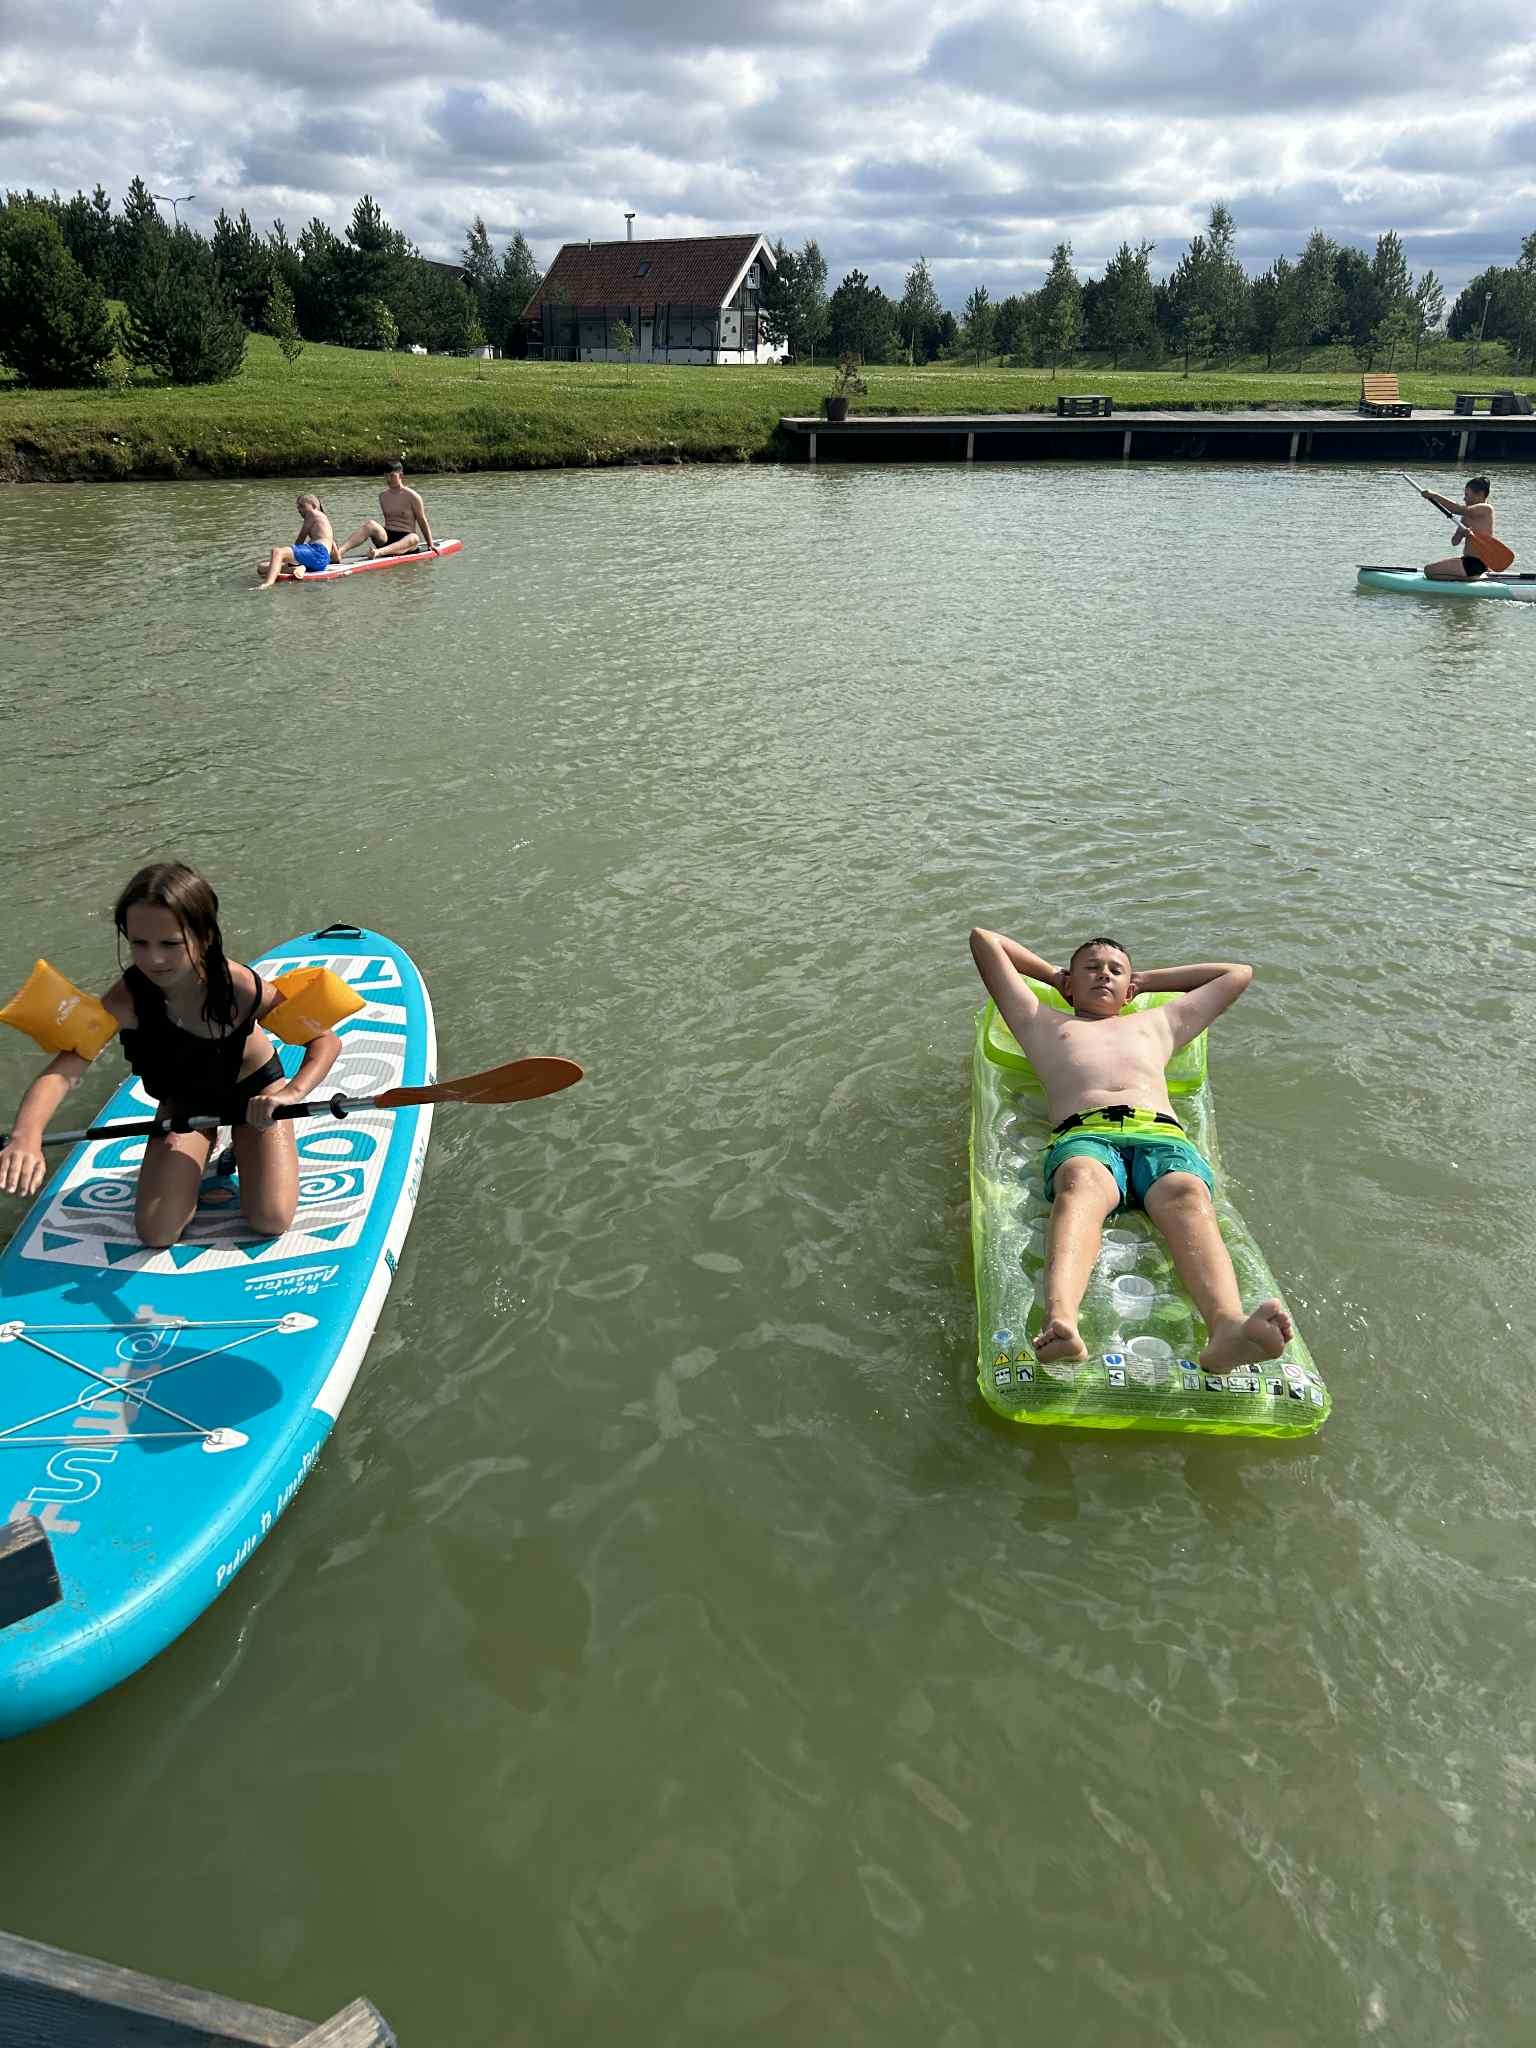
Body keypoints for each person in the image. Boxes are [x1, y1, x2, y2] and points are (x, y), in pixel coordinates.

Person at [968, 928, 1294, 1374]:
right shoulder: (1041, 1022)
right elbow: (984, 941)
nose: (1104, 974)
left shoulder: (1159, 1023)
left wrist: (1146, 981)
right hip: (1086, 1133)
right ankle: (1061, 1322)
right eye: (1091, 968)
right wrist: (1053, 977)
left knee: (1187, 1193)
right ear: (1069, 985)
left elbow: (1236, 974)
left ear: (1129, 990)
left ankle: (1227, 1329)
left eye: (1115, 971)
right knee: (1080, 1184)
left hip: (1160, 1135)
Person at [0, 864, 341, 1247]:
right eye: (139, 943)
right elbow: (64, 1071)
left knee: (270, 1218)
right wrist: (26, 1135)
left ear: (204, 936)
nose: (154, 959)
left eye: (170, 944)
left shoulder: (239, 987)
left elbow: (324, 1041)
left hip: (253, 1098)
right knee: (157, 1232)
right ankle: (203, 1142)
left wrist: (289, 1095)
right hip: (184, 1104)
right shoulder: (126, 999)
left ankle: (241, 1143)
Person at [336, 463, 435, 560]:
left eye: (392, 476)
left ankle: (378, 552)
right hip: (387, 538)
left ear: (401, 475)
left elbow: (422, 521)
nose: (388, 479)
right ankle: (339, 552)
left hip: (406, 540)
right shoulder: (383, 496)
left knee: (415, 538)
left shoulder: (413, 496)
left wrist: (430, 544)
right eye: (386, 476)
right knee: (370, 524)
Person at [1422, 476, 1495, 581]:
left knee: (1428, 571)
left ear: (1480, 494)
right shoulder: (1466, 516)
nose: (1464, 498)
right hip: (1467, 561)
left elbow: (1457, 509)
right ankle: (1468, 577)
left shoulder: (1486, 509)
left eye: (1467, 495)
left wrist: (1434, 496)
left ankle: (1469, 578)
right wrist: (1461, 533)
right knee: (1430, 573)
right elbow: (1454, 542)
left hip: (1477, 563)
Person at [258, 493, 339, 588]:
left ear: (313, 506)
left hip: (317, 553)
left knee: (277, 552)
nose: (299, 510)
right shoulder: (325, 520)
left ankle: (267, 584)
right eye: (298, 507)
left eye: (302, 506)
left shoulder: (312, 513)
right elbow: (336, 555)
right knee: (262, 567)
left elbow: (300, 539)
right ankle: (297, 568)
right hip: (320, 561)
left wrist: (287, 557)